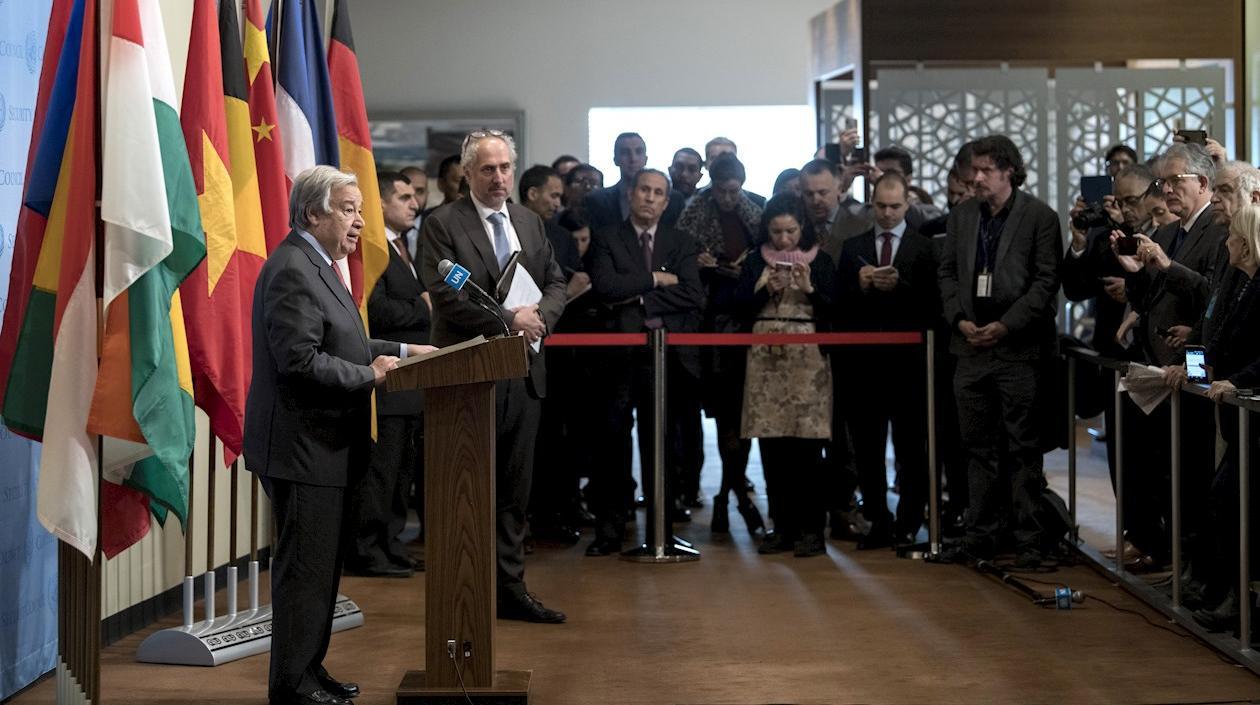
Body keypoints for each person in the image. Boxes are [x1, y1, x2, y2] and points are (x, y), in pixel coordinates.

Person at [245, 166, 433, 705]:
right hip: (304, 448)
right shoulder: (292, 269)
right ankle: (291, 685)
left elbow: (344, 338)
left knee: (323, 571)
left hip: (327, 447)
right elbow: (300, 361)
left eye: (358, 209)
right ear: (312, 213)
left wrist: (399, 351)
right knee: (304, 572)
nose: (359, 221)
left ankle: (309, 669)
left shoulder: (319, 264)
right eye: (348, 209)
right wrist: (370, 376)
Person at [419, 129, 569, 624]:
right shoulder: (443, 224)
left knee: (513, 492)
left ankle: (510, 588)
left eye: (505, 167)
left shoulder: (528, 221)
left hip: (523, 375)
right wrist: (510, 320)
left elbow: (555, 281)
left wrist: (539, 315)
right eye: (487, 169)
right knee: (463, 491)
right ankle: (462, 590)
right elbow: (447, 295)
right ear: (467, 173)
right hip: (468, 375)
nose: (499, 177)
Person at [938, 135, 1064, 568]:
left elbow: (1046, 283)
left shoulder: (1040, 218)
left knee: (1023, 448)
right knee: (976, 448)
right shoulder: (962, 217)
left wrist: (1006, 324)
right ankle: (981, 536)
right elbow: (948, 274)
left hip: (1017, 349)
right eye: (973, 170)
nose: (975, 178)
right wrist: (960, 320)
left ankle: (1029, 540)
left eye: (985, 170)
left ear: (1008, 170)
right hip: (970, 347)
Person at [586, 168, 705, 556]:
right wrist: (655, 279)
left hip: (665, 358)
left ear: (667, 201)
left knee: (663, 443)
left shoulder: (682, 240)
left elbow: (692, 295)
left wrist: (637, 298)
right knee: (611, 443)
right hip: (617, 358)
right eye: (644, 190)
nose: (650, 198)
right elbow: (605, 287)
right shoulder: (606, 238)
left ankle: (661, 529)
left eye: (658, 193)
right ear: (631, 194)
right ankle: (610, 528)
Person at [836, 173, 939, 549]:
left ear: (907, 205)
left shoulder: (924, 248)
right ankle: (878, 517)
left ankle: (911, 521)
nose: (888, 213)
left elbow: (933, 305)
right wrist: (860, 285)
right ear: (872, 205)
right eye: (881, 206)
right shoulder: (853, 247)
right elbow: (838, 306)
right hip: (864, 366)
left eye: (895, 207)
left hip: (910, 366)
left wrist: (900, 286)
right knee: (867, 449)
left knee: (912, 448)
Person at [737, 193, 836, 558]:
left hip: (807, 361)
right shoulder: (753, 262)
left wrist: (811, 290)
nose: (783, 239)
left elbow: (836, 307)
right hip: (765, 361)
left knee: (808, 450)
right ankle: (782, 526)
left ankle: (812, 530)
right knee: (772, 446)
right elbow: (735, 306)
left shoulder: (821, 261)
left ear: (802, 228)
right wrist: (763, 289)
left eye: (790, 231)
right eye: (776, 232)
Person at [676, 153, 765, 536]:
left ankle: (731, 493)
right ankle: (731, 497)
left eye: (735, 190)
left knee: (745, 416)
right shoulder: (693, 212)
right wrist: (703, 262)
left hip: (747, 317)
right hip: (710, 321)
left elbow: (764, 256)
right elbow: (679, 259)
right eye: (723, 190)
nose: (729, 197)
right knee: (726, 415)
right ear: (711, 185)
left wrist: (746, 267)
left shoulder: (754, 211)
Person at [346, 171, 429, 579]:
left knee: (401, 473)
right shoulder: (371, 251)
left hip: (411, 382)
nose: (415, 203)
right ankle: (367, 551)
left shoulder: (406, 248)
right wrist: (426, 308)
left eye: (415, 196)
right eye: (404, 196)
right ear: (378, 204)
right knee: (381, 471)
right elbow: (375, 311)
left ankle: (391, 543)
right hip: (385, 376)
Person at [1187, 204, 1260, 631]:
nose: (1226, 241)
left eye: (1233, 236)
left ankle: (1238, 598)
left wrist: (1236, 381)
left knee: (1231, 499)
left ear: (1246, 244)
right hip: (1236, 415)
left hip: (1251, 411)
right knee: (1225, 499)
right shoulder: (1241, 283)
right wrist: (1194, 368)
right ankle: (1229, 594)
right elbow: (1213, 334)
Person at [519, 164, 586, 544]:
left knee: (553, 437)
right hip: (510, 344)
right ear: (531, 194)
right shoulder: (508, 228)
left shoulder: (559, 235)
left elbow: (564, 282)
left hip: (554, 349)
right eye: (554, 195)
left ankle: (550, 512)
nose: (559, 202)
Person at [585, 132, 686, 231]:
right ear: (616, 159)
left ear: (646, 159)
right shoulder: (596, 200)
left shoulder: (674, 199)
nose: (633, 159)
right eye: (625, 152)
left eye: (639, 152)